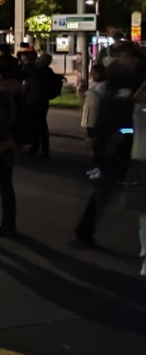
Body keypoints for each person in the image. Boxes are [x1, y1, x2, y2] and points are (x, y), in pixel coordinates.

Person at [73, 42, 146, 247]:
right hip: (120, 143)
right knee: (106, 188)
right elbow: (119, 116)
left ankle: (84, 232)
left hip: (120, 141)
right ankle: (84, 232)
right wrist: (115, 134)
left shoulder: (124, 82)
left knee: (107, 188)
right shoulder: (121, 83)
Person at [0, 59, 25, 236]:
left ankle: (7, 223)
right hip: (12, 141)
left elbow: (7, 118)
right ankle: (7, 221)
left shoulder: (3, 91)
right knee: (6, 184)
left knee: (3, 184)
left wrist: (4, 140)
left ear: (1, 74)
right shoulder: (17, 88)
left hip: (4, 142)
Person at [24, 52, 64, 157]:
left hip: (36, 101)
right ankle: (42, 149)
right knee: (40, 125)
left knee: (37, 125)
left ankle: (36, 148)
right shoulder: (46, 72)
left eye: (39, 58)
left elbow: (31, 76)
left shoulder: (40, 73)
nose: (37, 59)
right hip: (41, 101)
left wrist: (27, 63)